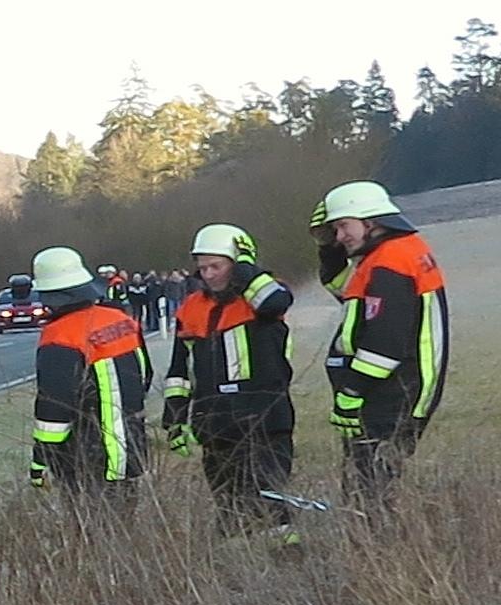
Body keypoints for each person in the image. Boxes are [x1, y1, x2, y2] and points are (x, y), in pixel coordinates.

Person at [312, 180, 449, 503]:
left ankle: (378, 550)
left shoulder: (392, 262)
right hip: (391, 389)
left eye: (343, 226)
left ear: (370, 221)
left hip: (392, 391)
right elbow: (349, 293)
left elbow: (384, 345)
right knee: (368, 485)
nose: (340, 235)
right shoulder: (384, 256)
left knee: (369, 493)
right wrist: (326, 247)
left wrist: (351, 391)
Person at [163, 222, 296, 525]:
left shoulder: (263, 297)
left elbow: (276, 302)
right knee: (229, 505)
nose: (208, 275)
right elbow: (179, 371)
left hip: (264, 419)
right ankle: (239, 560)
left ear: (238, 264)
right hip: (215, 424)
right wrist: (175, 419)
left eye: (216, 266)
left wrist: (247, 268)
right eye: (203, 268)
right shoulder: (192, 308)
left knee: (267, 499)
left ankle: (287, 556)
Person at [26, 245, 150, 500]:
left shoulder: (61, 336)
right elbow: (145, 376)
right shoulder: (122, 321)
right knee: (124, 525)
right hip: (130, 448)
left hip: (85, 458)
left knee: (89, 530)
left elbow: (55, 409)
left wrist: (40, 462)